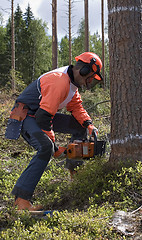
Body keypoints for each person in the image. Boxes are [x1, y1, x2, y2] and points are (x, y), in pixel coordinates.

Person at [5, 52, 103, 211]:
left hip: (40, 113)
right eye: (89, 77)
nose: (89, 82)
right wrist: (56, 149)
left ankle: (75, 174)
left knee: (80, 126)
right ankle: (21, 201)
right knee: (46, 148)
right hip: (27, 115)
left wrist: (89, 124)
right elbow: (43, 118)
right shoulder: (59, 81)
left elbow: (76, 107)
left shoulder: (72, 84)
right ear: (83, 70)